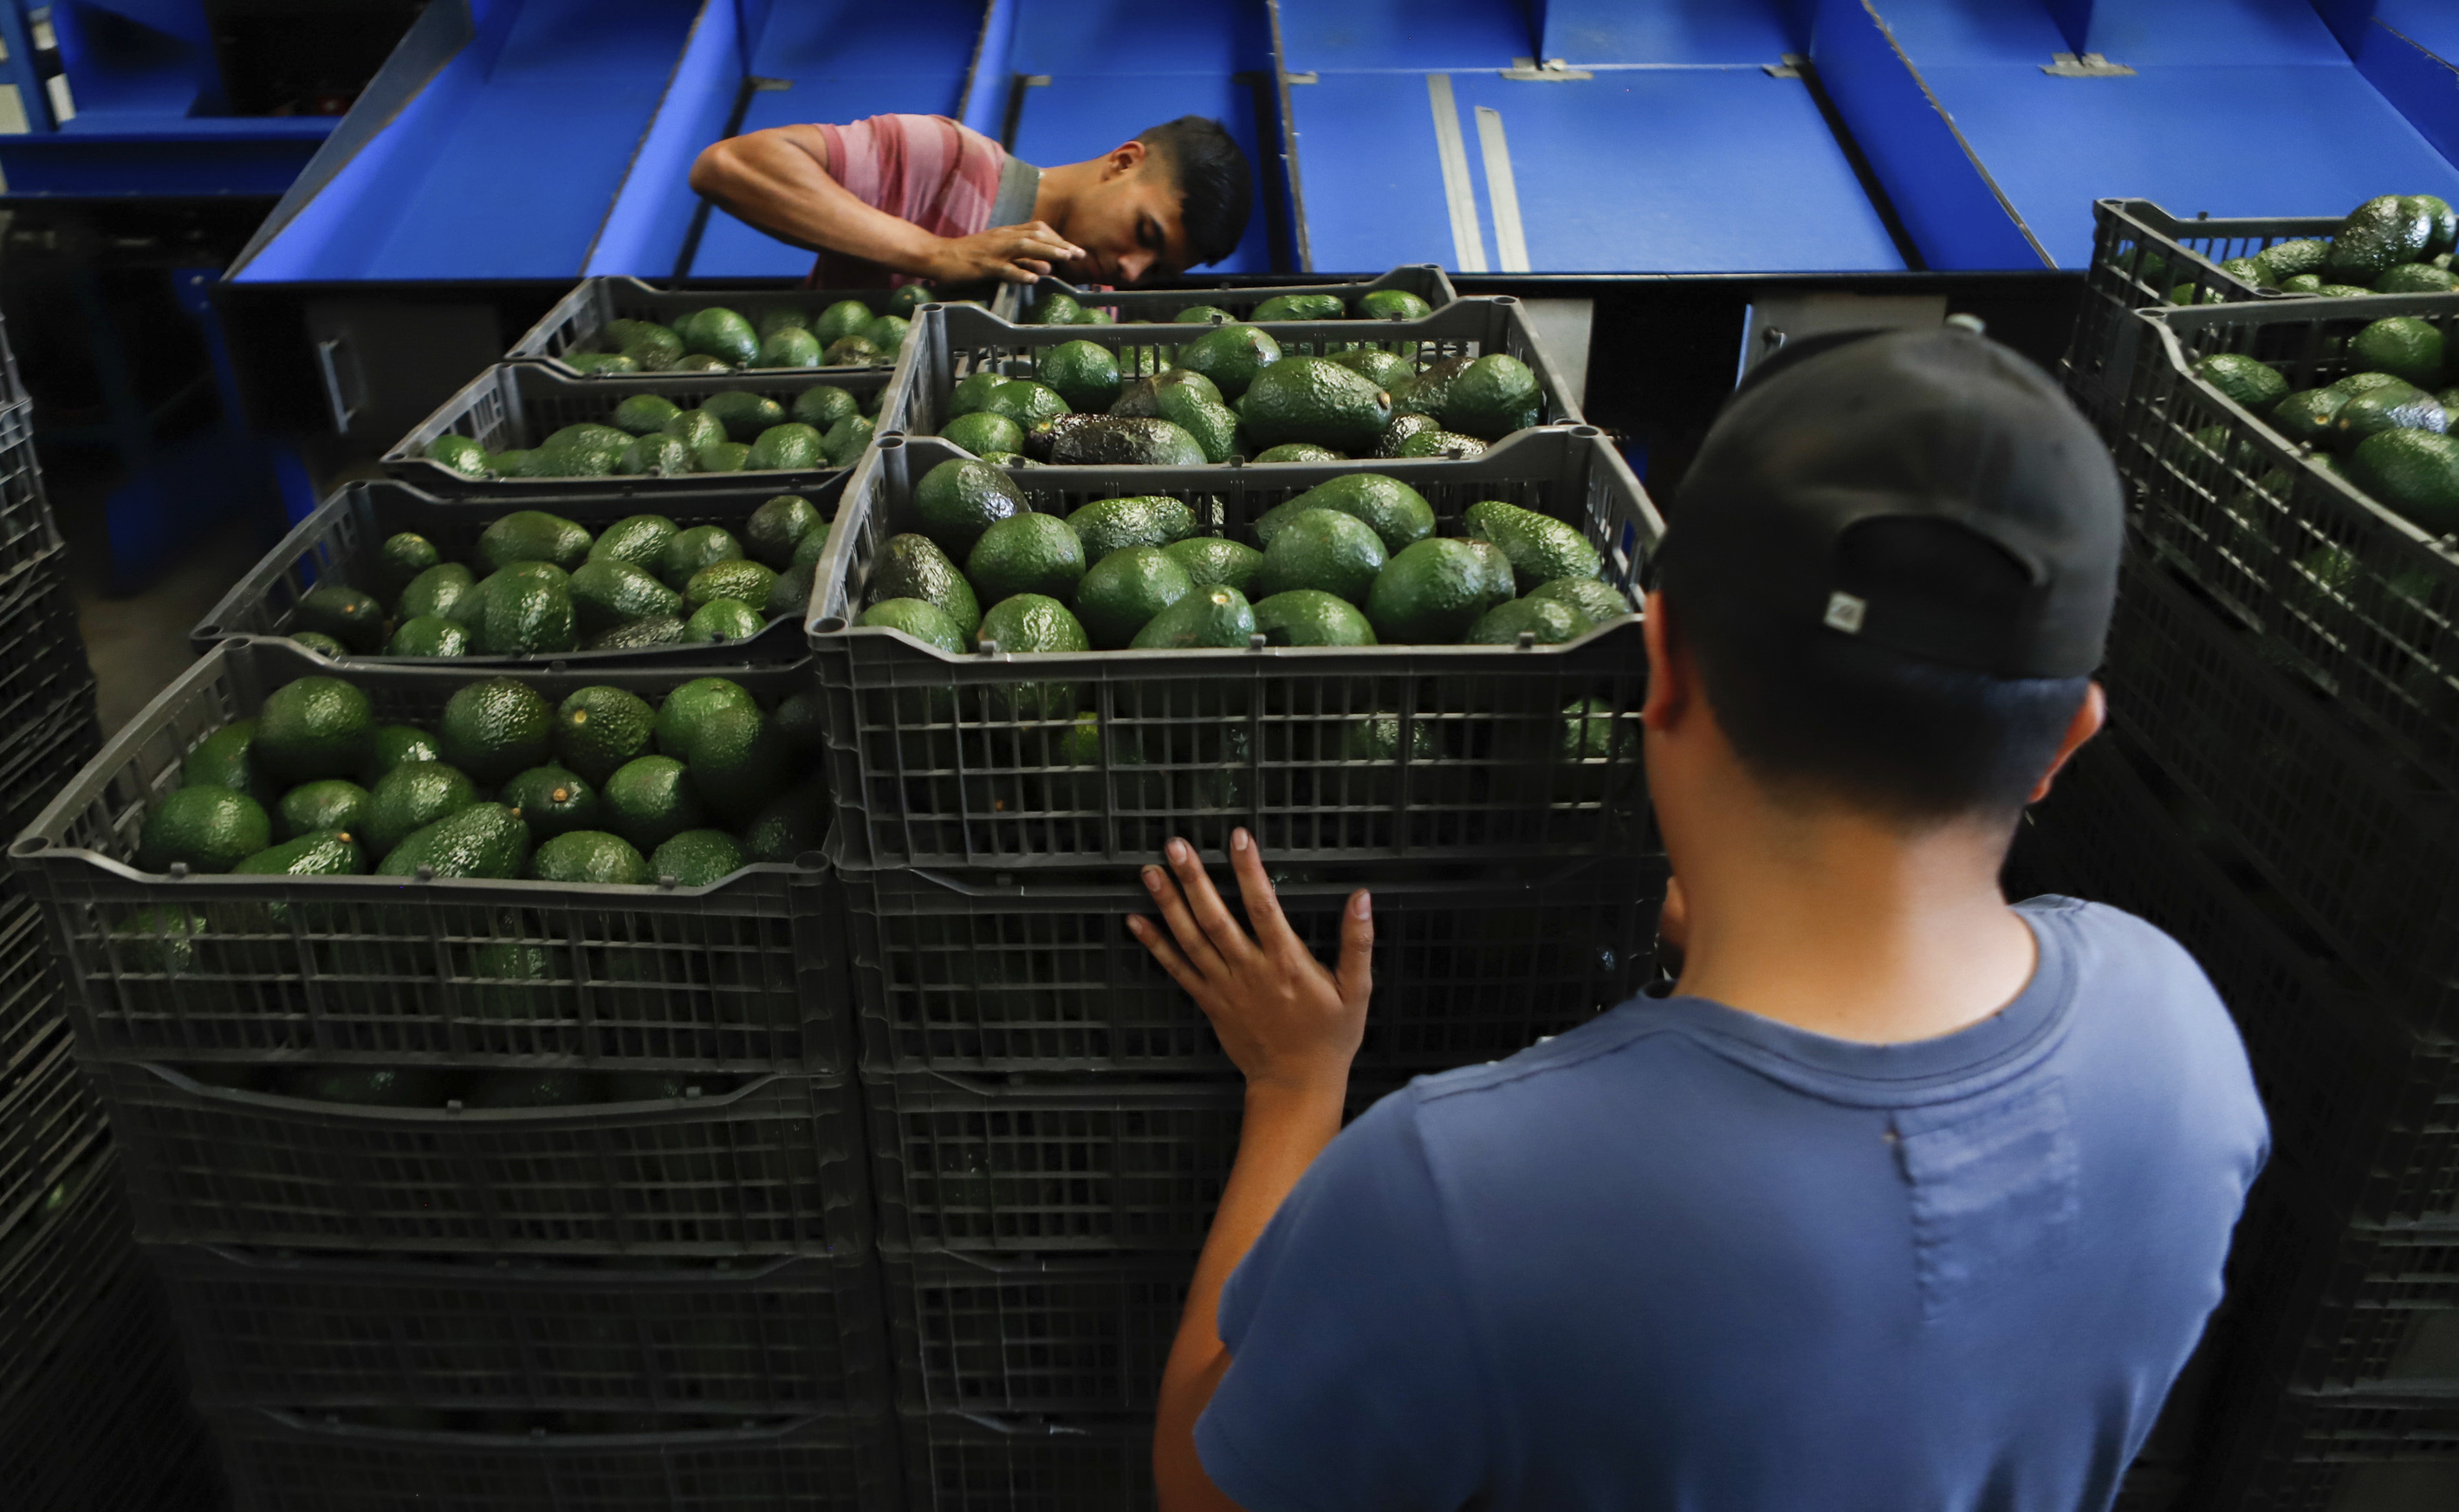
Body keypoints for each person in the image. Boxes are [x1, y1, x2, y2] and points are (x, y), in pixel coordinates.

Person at [1126, 328, 2270, 1512]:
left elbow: (1201, 1490)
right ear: (2064, 743)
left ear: (1659, 669)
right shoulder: (2180, 1030)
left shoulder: (1462, 1191)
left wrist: (1296, 1089)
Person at [688, 111, 1252, 291]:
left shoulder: (1093, 305)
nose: (1131, 270)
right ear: (1123, 162)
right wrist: (936, 254)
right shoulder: (949, 158)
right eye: (1145, 235)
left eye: (1156, 269)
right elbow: (730, 166)